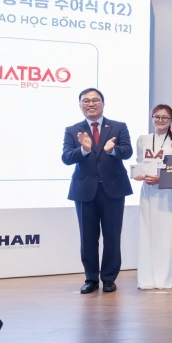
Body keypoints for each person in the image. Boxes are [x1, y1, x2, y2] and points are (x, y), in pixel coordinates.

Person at [61, 88, 133, 294]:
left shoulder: (118, 126)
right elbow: (66, 157)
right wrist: (83, 149)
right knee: (88, 237)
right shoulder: (72, 130)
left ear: (103, 104)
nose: (90, 104)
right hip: (84, 191)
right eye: (86, 101)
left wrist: (113, 150)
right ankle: (91, 278)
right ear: (80, 105)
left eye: (95, 100)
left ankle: (109, 278)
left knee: (112, 236)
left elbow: (127, 151)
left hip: (113, 190)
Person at [133, 104, 172, 289]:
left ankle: (168, 278)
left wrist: (161, 178)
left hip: (168, 193)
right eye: (157, 117)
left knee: (167, 233)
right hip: (148, 192)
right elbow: (140, 164)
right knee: (148, 233)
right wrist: (140, 175)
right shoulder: (143, 140)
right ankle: (148, 279)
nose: (160, 120)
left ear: (171, 120)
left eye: (165, 117)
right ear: (152, 118)